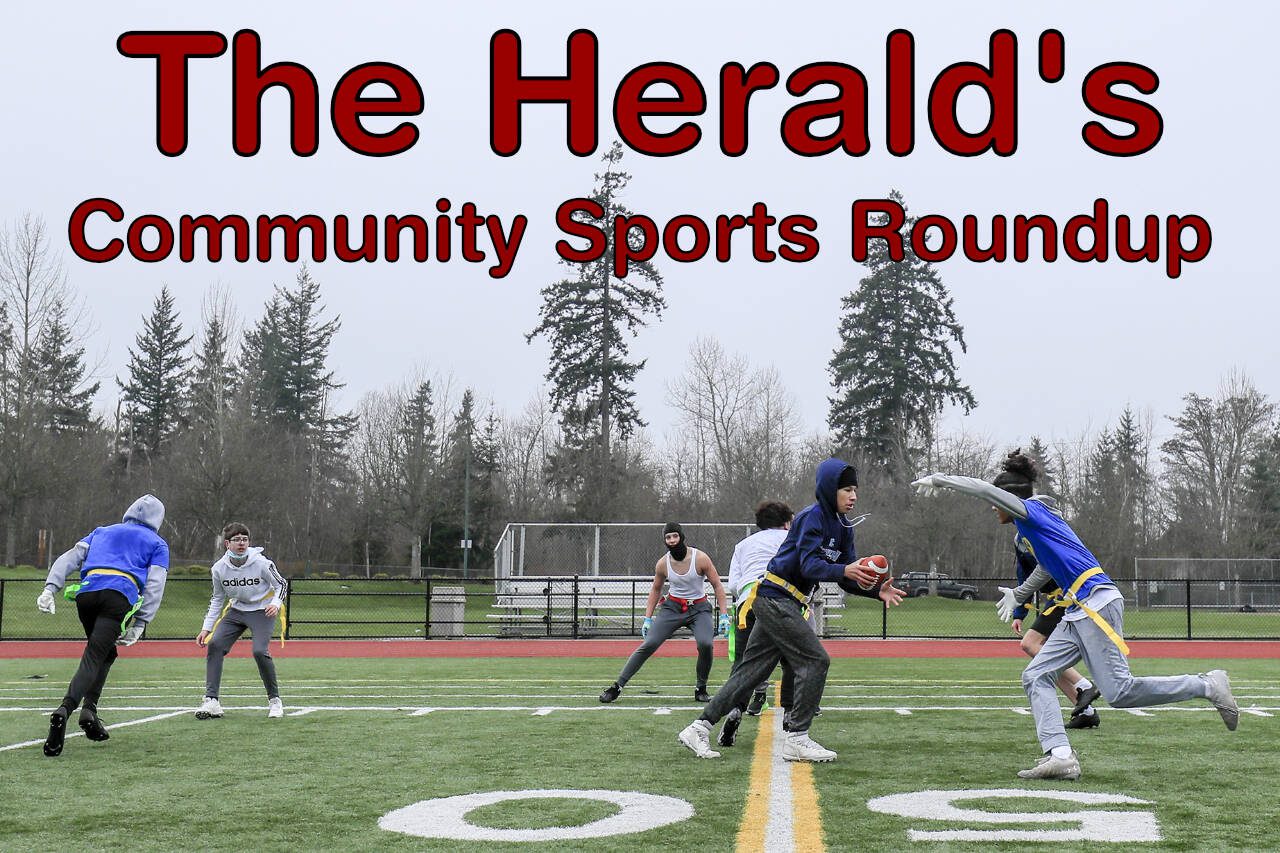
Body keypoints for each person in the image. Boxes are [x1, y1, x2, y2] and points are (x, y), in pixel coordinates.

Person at [912, 450, 1239, 780]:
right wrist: (1020, 594)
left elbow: (985, 490)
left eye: (998, 503)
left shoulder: (1031, 513)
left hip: (1095, 603)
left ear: (1010, 498)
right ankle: (1061, 756)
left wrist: (942, 480)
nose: (993, 508)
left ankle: (1208, 685)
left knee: (1120, 692)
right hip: (1077, 610)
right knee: (1036, 675)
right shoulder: (1031, 529)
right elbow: (1044, 568)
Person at [678, 459, 906, 762]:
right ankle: (797, 737)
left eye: (855, 490)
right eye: (847, 489)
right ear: (829, 489)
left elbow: (846, 578)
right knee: (816, 659)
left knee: (750, 672)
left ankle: (699, 727)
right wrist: (845, 569)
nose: (854, 496)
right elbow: (810, 565)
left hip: (787, 602)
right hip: (775, 598)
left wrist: (877, 590)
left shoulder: (844, 528)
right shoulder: (811, 519)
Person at [35, 495, 170, 757]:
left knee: (104, 653)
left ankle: (90, 712)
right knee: (95, 656)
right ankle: (65, 709)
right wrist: (141, 621)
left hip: (87, 593)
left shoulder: (102, 531)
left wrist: (50, 588)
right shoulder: (158, 543)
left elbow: (70, 558)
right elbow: (155, 583)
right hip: (118, 595)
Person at [599, 523, 729, 704]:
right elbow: (656, 589)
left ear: (682, 536)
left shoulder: (700, 558)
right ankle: (617, 686)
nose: (672, 540)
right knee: (649, 643)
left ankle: (701, 688)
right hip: (672, 608)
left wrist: (724, 614)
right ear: (664, 540)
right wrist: (647, 618)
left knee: (706, 644)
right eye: (668, 537)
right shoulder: (663, 563)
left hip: (699, 608)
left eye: (675, 536)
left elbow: (717, 585)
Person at [1009, 518, 1102, 730]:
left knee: (1029, 645)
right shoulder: (1019, 540)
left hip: (1069, 595)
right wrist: (1019, 612)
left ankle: (1084, 686)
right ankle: (1086, 713)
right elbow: (1024, 577)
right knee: (1046, 662)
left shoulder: (1049, 535)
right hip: (1054, 599)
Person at [718, 501, 795, 747]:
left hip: (747, 602)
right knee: (793, 659)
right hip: (782, 600)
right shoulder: (790, 538)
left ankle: (735, 709)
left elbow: (732, 585)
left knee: (743, 664)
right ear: (786, 522)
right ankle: (791, 714)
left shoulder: (743, 545)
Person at [195, 523, 288, 720]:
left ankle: (275, 701)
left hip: (262, 611)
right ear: (227, 543)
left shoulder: (262, 563)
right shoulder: (219, 569)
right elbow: (218, 599)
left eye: (244, 539)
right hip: (237, 611)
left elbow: (281, 584)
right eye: (236, 540)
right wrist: (206, 628)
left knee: (259, 651)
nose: (241, 543)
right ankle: (212, 701)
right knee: (215, 644)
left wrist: (276, 603)